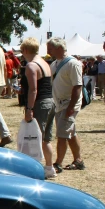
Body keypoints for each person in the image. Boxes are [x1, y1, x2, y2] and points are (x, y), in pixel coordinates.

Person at [20, 38, 56, 179]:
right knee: (46, 138)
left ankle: (36, 169)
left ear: (26, 50)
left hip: (40, 103)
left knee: (35, 137)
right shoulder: (45, 63)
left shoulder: (31, 66)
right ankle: (49, 168)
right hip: (50, 102)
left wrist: (29, 109)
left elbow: (33, 90)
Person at [47, 37, 85, 170]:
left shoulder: (73, 64)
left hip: (69, 104)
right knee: (70, 133)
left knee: (62, 134)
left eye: (50, 48)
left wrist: (71, 107)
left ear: (58, 48)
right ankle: (78, 161)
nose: (48, 51)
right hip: (59, 103)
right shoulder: (54, 64)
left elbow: (78, 86)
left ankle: (58, 164)